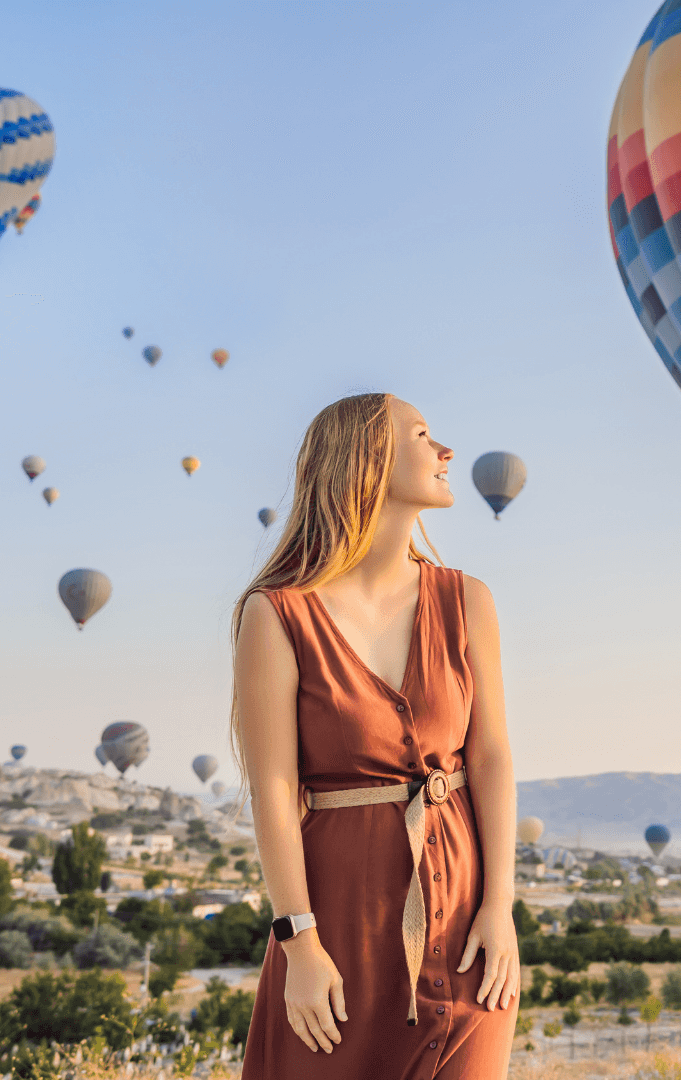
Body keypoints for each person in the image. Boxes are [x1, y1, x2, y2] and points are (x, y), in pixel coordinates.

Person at [233, 394, 519, 1077]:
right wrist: (300, 943)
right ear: (367, 463)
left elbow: (491, 759)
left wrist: (500, 907)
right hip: (338, 921)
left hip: (466, 920)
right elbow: (274, 788)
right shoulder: (275, 614)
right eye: (423, 435)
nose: (446, 450)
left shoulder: (467, 599)